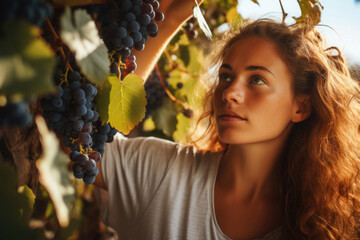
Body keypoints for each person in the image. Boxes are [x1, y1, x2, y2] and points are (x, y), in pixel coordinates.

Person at [93, 1, 360, 239]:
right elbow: (77, 143)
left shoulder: (322, 226)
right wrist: (168, 20)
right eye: (226, 76)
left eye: (257, 80)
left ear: (301, 107)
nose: (230, 92)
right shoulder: (161, 173)